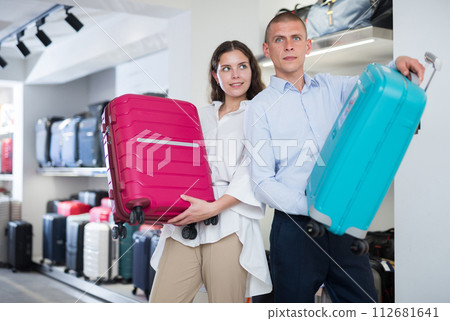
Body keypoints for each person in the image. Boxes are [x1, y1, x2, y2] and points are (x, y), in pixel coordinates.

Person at [244, 12, 425, 303]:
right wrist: (313, 207)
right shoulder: (259, 107)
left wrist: (396, 64)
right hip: (295, 229)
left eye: (296, 38)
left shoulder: (332, 87)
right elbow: (262, 182)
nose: (288, 46)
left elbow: (370, 86)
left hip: (343, 223)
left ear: (308, 45)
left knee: (363, 304)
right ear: (268, 50)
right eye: (279, 39)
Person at [149, 40, 272, 303]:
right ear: (215, 75)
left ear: (253, 71)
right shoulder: (197, 115)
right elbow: (176, 164)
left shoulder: (260, 114)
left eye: (242, 66)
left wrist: (214, 207)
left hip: (229, 222)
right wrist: (164, 207)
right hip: (186, 220)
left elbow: (251, 169)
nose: (235, 74)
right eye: (226, 68)